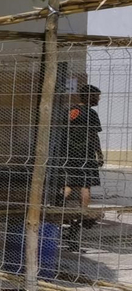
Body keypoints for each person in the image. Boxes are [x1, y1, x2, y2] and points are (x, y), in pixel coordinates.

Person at [60, 83, 104, 248]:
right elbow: (93, 136)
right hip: (85, 157)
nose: (98, 99)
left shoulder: (69, 111)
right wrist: (99, 154)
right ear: (90, 96)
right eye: (97, 96)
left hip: (68, 156)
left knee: (68, 186)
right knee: (85, 188)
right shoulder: (91, 114)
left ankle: (55, 213)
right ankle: (76, 226)